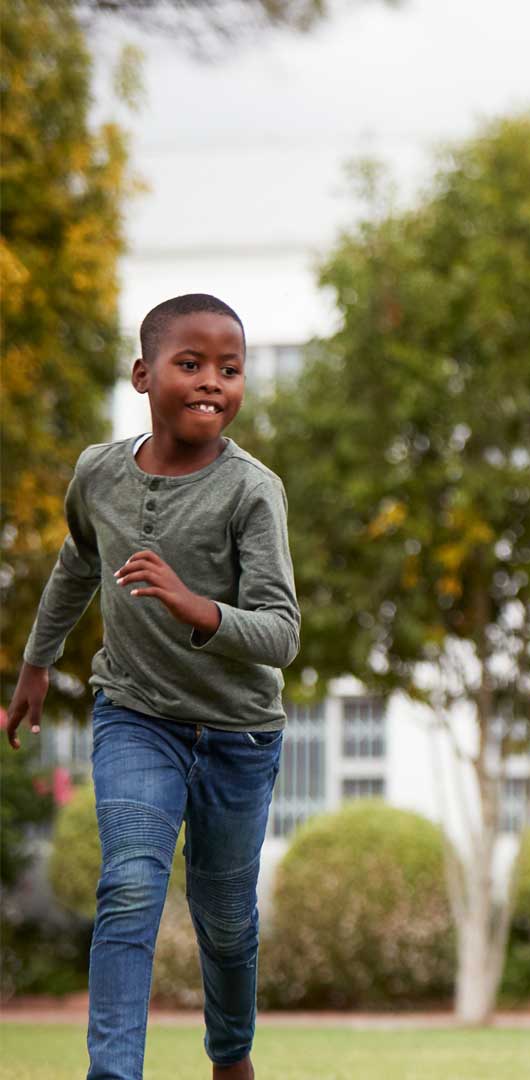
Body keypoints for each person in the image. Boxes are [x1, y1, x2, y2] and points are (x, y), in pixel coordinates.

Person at [6, 294, 300, 1080]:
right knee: (130, 886)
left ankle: (230, 1057)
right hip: (137, 716)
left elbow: (282, 632)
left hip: (238, 735)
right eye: (191, 363)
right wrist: (37, 663)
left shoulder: (251, 491)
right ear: (143, 374)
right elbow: (77, 562)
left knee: (227, 923)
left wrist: (195, 606)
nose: (213, 382)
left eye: (229, 369)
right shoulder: (98, 473)